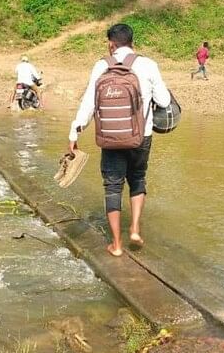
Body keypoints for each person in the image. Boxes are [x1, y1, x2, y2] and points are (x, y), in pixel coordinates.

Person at [67, 24, 171, 257]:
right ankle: (134, 229)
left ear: (110, 44)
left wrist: (75, 132)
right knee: (138, 179)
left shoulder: (102, 66)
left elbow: (89, 102)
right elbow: (164, 101)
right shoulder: (148, 64)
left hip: (110, 137)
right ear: (133, 42)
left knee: (113, 187)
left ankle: (116, 245)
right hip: (141, 136)